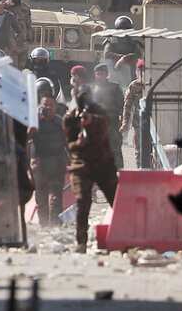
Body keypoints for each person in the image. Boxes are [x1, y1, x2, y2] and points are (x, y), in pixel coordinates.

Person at [64, 89, 119, 253]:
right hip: (81, 166)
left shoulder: (99, 114)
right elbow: (69, 144)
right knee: (82, 203)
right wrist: (78, 143)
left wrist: (91, 121)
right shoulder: (70, 118)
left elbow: (104, 125)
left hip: (103, 165)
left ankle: (122, 238)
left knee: (116, 201)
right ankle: (81, 243)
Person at [30, 88, 68, 227]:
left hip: (56, 164)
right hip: (39, 165)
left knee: (56, 197)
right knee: (41, 197)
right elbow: (26, 141)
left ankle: (55, 226)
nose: (47, 108)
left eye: (50, 105)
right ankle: (44, 225)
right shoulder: (33, 122)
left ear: (55, 107)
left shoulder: (60, 123)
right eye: (44, 105)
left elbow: (68, 143)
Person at [91, 62, 127, 169]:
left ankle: (120, 174)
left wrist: (121, 120)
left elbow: (122, 105)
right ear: (95, 75)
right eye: (98, 74)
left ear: (107, 74)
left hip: (112, 124)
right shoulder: (92, 89)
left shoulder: (115, 88)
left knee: (115, 150)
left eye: (102, 73)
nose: (100, 76)